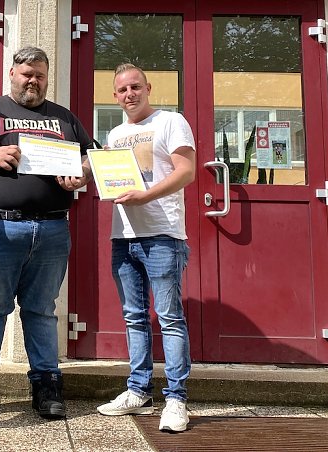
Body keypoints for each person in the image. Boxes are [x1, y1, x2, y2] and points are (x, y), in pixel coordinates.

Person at [0, 46, 92, 421]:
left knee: (41, 311)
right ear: (12, 73)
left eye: (40, 75)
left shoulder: (63, 117)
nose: (33, 80)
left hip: (52, 229)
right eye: (27, 73)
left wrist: (81, 171)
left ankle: (47, 385)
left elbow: (89, 154)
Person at [95, 64, 196, 433]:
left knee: (169, 318)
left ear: (148, 88)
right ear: (115, 96)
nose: (129, 94)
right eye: (122, 90)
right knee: (134, 316)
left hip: (163, 235)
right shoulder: (117, 133)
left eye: (135, 87)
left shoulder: (171, 122)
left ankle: (176, 399)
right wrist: (80, 175)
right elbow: (107, 175)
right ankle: (138, 391)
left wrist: (145, 195)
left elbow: (186, 172)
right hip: (123, 236)